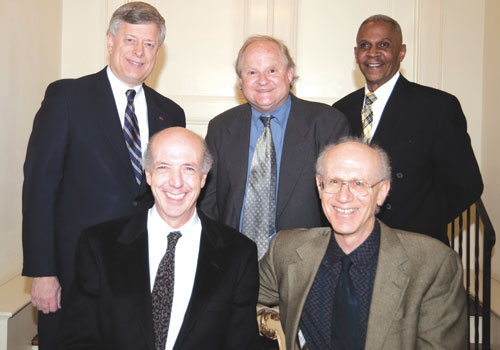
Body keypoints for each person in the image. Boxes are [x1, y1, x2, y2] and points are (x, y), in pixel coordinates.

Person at [21, 2, 185, 348]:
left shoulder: (170, 113)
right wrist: (42, 272)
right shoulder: (67, 97)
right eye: (130, 40)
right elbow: (39, 188)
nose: (139, 52)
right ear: (110, 41)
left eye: (149, 44)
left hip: (143, 274)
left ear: (158, 51)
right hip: (72, 273)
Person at [58, 127, 260, 349]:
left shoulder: (238, 254)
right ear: (148, 174)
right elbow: (78, 339)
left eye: (188, 168)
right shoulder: (98, 245)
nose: (176, 182)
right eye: (163, 167)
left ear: (203, 178)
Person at [259, 139, 467, 349]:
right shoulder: (287, 250)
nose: (344, 196)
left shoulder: (432, 264)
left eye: (359, 183)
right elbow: (235, 291)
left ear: (383, 191)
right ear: (319, 186)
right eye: (334, 182)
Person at [333, 14, 483, 244]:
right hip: (354, 245)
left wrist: (424, 225)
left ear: (401, 52)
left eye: (384, 45)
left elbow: (467, 184)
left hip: (414, 246)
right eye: (365, 45)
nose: (373, 53)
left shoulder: (437, 107)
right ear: (356, 54)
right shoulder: (340, 110)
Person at [200, 35, 350, 259]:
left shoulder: (327, 123)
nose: (262, 80)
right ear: (241, 80)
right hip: (233, 262)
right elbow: (207, 203)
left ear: (289, 74)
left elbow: (343, 200)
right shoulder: (221, 127)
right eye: (252, 72)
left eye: (271, 70)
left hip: (305, 264)